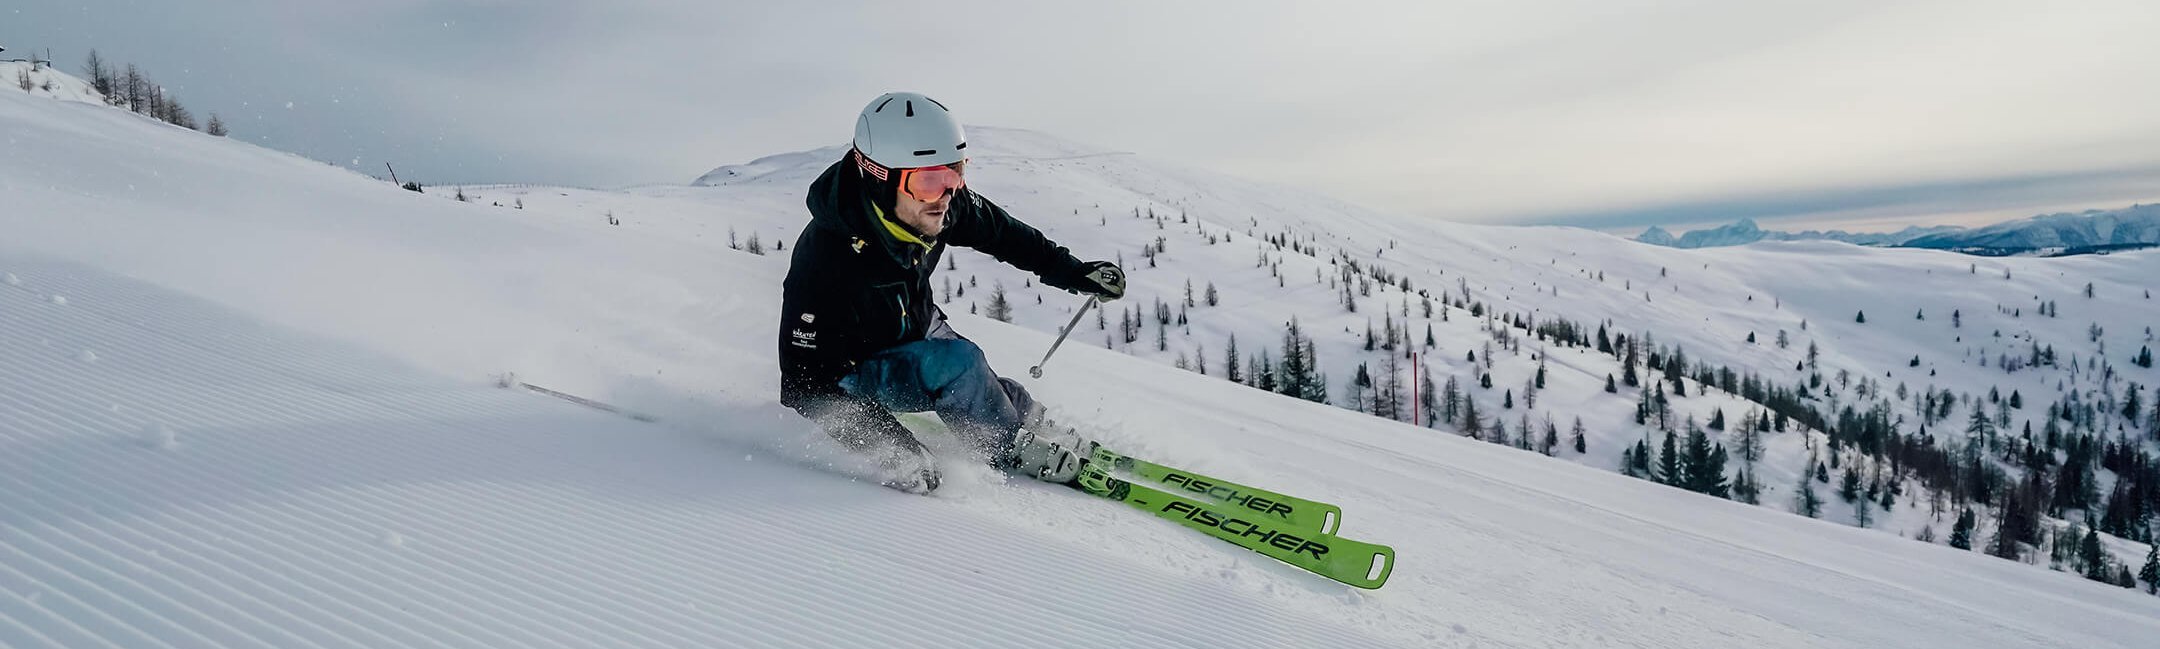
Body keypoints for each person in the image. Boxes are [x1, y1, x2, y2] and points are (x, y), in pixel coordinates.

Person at [778, 92, 1126, 494]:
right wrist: (895, 449)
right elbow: (804, 384)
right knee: (959, 364)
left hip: (914, 327)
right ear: (879, 177)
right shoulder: (826, 259)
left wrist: (1076, 274)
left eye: (955, 173)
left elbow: (1006, 235)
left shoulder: (937, 205)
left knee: (980, 380)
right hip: (855, 369)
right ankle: (1009, 445)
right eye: (928, 181)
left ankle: (1026, 417)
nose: (946, 196)